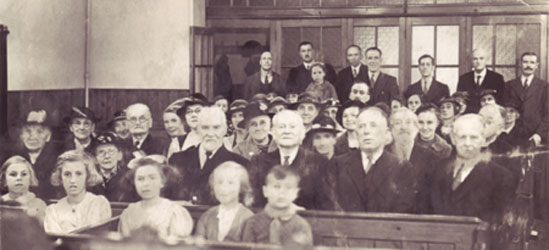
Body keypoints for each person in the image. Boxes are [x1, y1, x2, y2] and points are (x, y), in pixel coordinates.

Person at [429, 114, 516, 224]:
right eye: (462, 137)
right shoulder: (436, 169)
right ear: (453, 139)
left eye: (474, 137)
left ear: (483, 140)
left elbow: (498, 223)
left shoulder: (500, 176)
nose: (467, 143)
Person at [331, 107, 415, 213]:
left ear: (386, 133)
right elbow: (331, 205)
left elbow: (403, 209)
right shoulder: (337, 165)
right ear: (356, 134)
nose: (366, 131)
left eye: (373, 125)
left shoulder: (402, 168)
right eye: (361, 126)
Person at [249, 110, 335, 210]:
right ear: (274, 132)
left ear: (302, 132)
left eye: (292, 127)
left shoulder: (320, 163)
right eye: (281, 127)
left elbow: (328, 207)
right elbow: (252, 203)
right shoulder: (259, 162)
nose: (287, 131)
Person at [169, 107, 249, 205]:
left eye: (216, 128)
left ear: (225, 130)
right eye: (205, 128)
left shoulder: (240, 164)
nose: (210, 134)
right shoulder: (177, 160)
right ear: (198, 129)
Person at [118, 158, 193, 239]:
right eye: (140, 179)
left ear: (162, 182)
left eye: (152, 178)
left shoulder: (174, 212)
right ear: (134, 183)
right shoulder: (129, 212)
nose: (146, 184)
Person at [242, 166, 313, 246]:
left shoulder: (301, 225)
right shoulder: (252, 223)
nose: (282, 193)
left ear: (295, 193)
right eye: (276, 186)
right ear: (265, 191)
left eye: (288, 187)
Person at [44, 150, 111, 234]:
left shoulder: (99, 203)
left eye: (78, 174)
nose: (72, 180)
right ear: (60, 177)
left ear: (87, 176)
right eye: (67, 174)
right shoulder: (53, 211)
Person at [387, 108, 438, 213]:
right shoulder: (381, 154)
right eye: (398, 123)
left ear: (416, 128)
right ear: (391, 129)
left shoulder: (431, 158)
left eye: (408, 122)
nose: (403, 127)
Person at [195, 162, 254, 242]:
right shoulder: (206, 217)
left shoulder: (249, 218)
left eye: (230, 183)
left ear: (241, 187)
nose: (223, 188)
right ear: (213, 186)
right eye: (219, 182)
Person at [503, 52, 549, 147]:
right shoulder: (509, 85)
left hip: (536, 137)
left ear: (537, 65)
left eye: (532, 63)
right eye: (525, 62)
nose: (528, 65)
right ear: (520, 64)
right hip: (513, 137)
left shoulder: (544, 87)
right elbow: (504, 112)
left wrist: (538, 135)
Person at [15, 109, 60, 200]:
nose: (32, 137)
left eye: (39, 132)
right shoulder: (14, 160)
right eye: (28, 131)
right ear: (21, 136)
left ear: (48, 136)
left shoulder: (57, 161)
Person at [0, 156, 47, 223]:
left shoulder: (39, 204)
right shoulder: (2, 203)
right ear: (4, 179)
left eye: (24, 174)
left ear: (30, 177)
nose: (19, 178)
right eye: (13, 174)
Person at [457, 48, 505, 113]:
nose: (478, 62)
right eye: (475, 59)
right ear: (471, 61)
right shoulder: (464, 79)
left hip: (489, 115)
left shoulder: (497, 78)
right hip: (470, 117)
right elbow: (460, 100)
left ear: (486, 60)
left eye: (481, 58)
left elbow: (501, 101)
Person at [89, 132, 133, 202]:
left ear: (119, 155)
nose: (107, 156)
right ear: (95, 159)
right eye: (101, 152)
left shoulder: (130, 177)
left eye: (111, 151)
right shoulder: (90, 178)